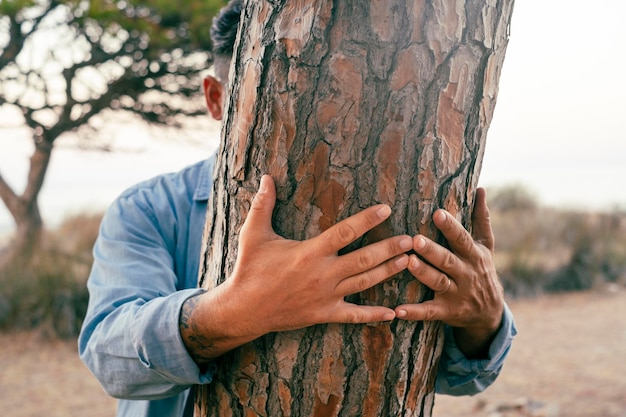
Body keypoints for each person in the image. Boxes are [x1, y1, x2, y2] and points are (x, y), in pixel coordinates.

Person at [78, 1, 516, 416]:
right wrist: (237, 311)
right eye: (281, 90)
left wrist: (486, 316)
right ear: (216, 98)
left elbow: (459, 378)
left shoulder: (402, 209)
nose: (329, 114)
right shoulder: (148, 210)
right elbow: (109, 355)